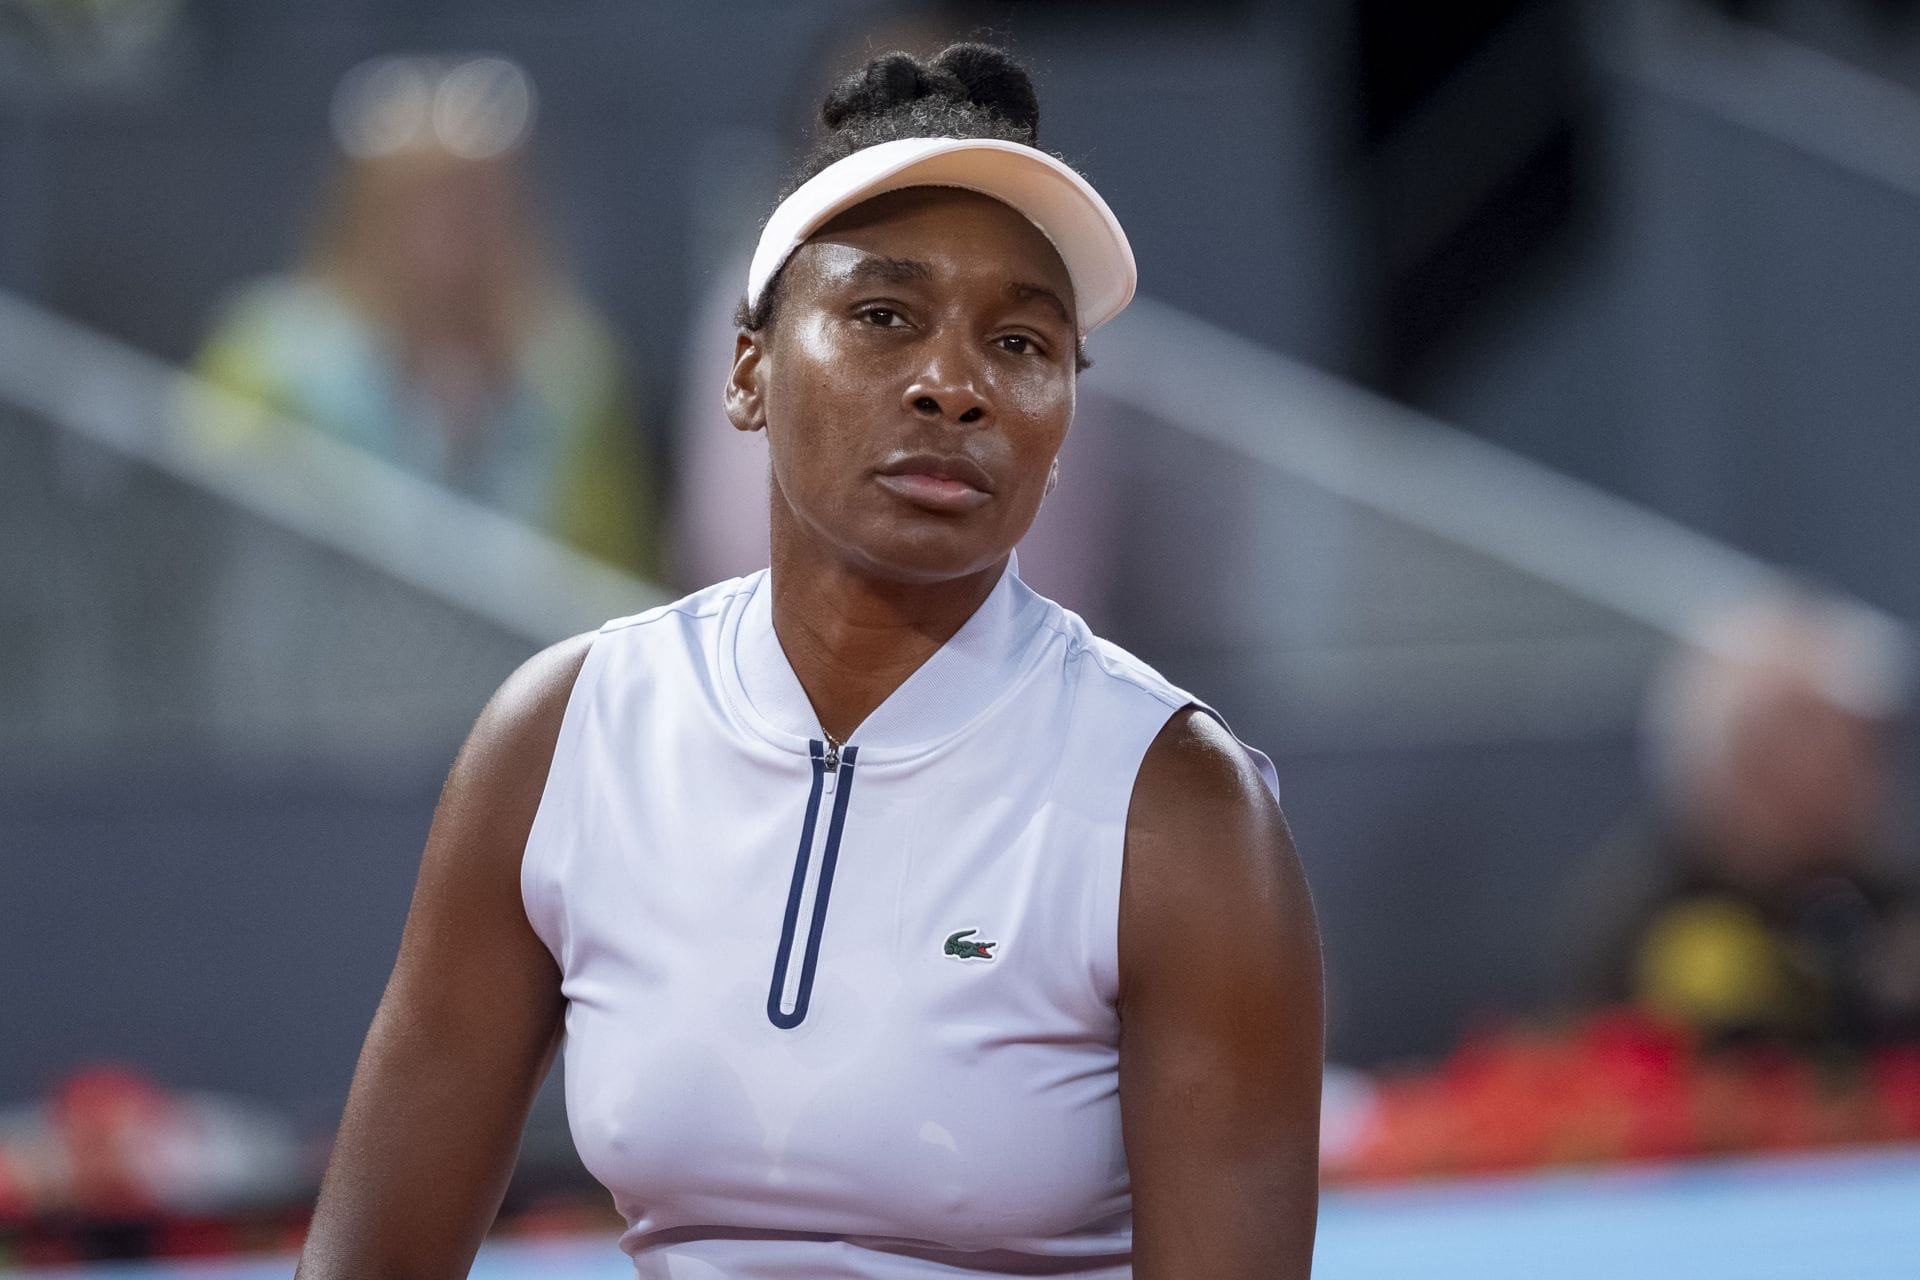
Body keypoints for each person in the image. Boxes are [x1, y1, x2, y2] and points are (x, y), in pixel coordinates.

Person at [295, 43, 1322, 1279]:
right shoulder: (561, 735)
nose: (954, 385)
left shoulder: (1186, 809)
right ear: (747, 371)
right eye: (884, 316)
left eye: (1020, 343)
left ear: (1060, 429)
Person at [195, 55, 659, 577]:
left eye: (473, 207)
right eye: (418, 206)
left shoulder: (575, 380)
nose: (447, 239)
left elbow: (609, 582)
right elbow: (206, 537)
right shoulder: (269, 357)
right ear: (361, 213)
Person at [1565, 589, 1920, 1051]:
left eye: (1846, 747)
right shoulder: (1643, 920)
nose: (1816, 774)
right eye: (1783, 748)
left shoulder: (1891, 900)